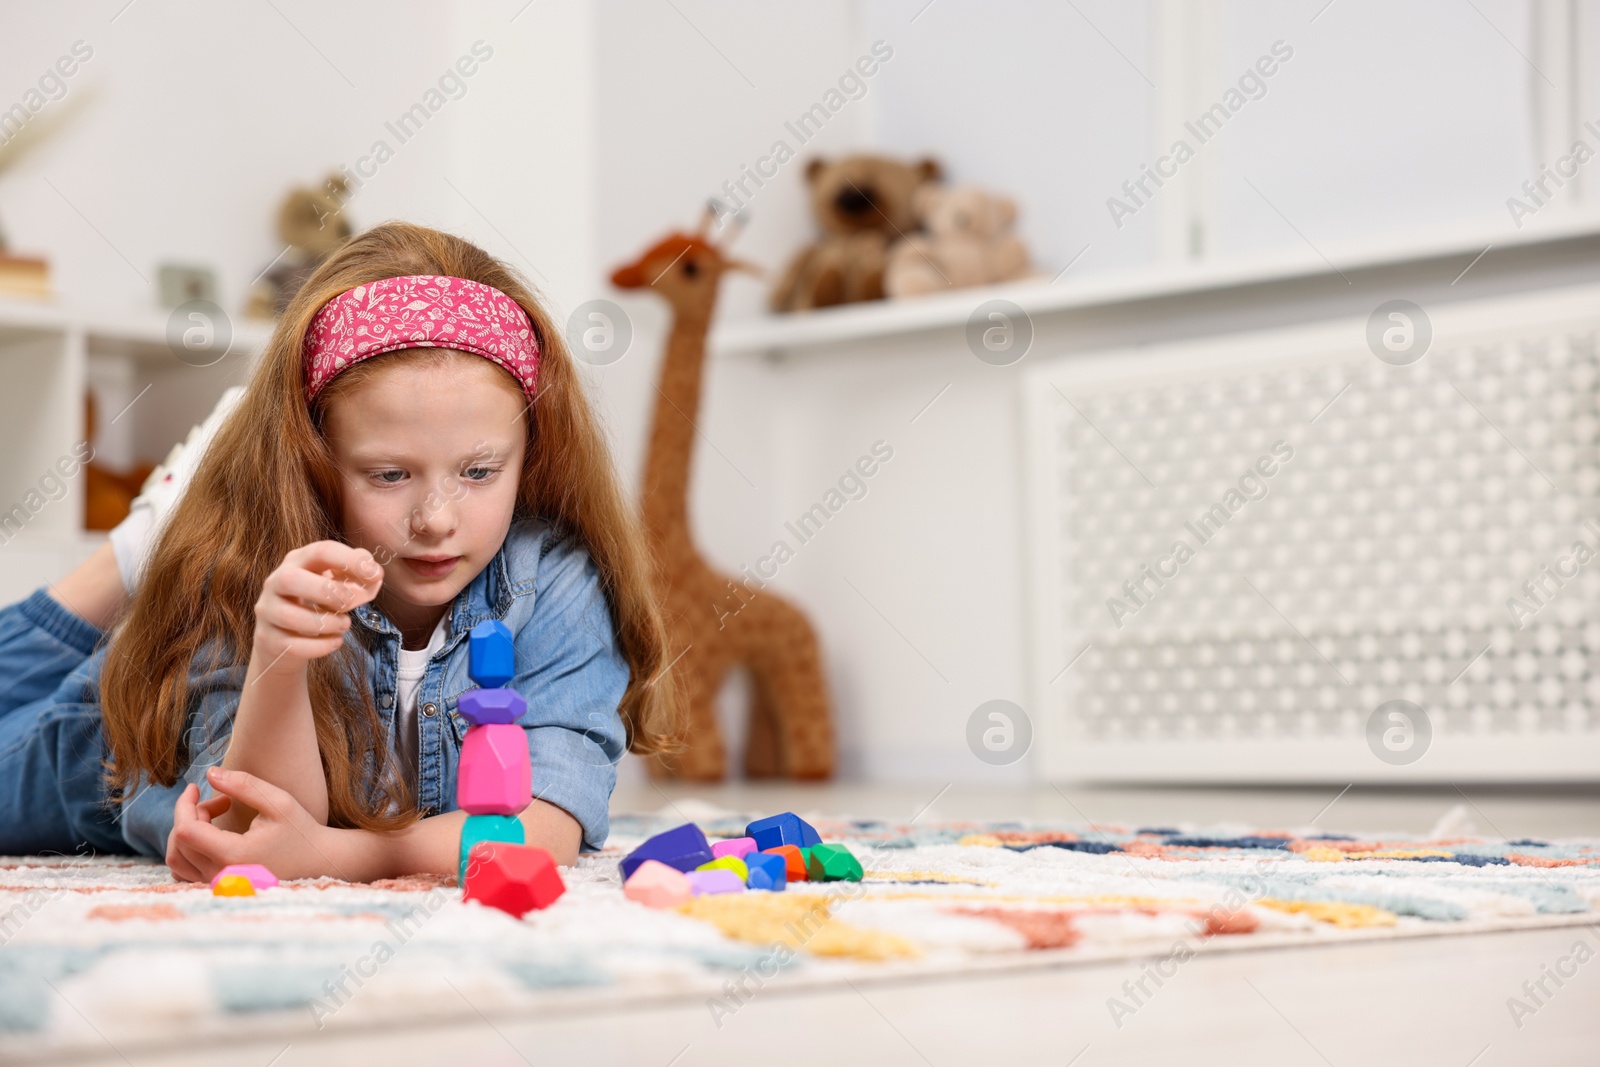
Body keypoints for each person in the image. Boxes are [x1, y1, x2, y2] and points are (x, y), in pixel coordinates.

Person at [0, 222, 681, 881]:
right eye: (390, 474)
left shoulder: (555, 580)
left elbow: (545, 828)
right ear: (314, 458)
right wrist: (279, 653)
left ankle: (137, 550)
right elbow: (249, 825)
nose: (436, 521)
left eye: (478, 472)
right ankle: (129, 557)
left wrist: (335, 855)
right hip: (95, 745)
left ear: (531, 455)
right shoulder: (253, 563)